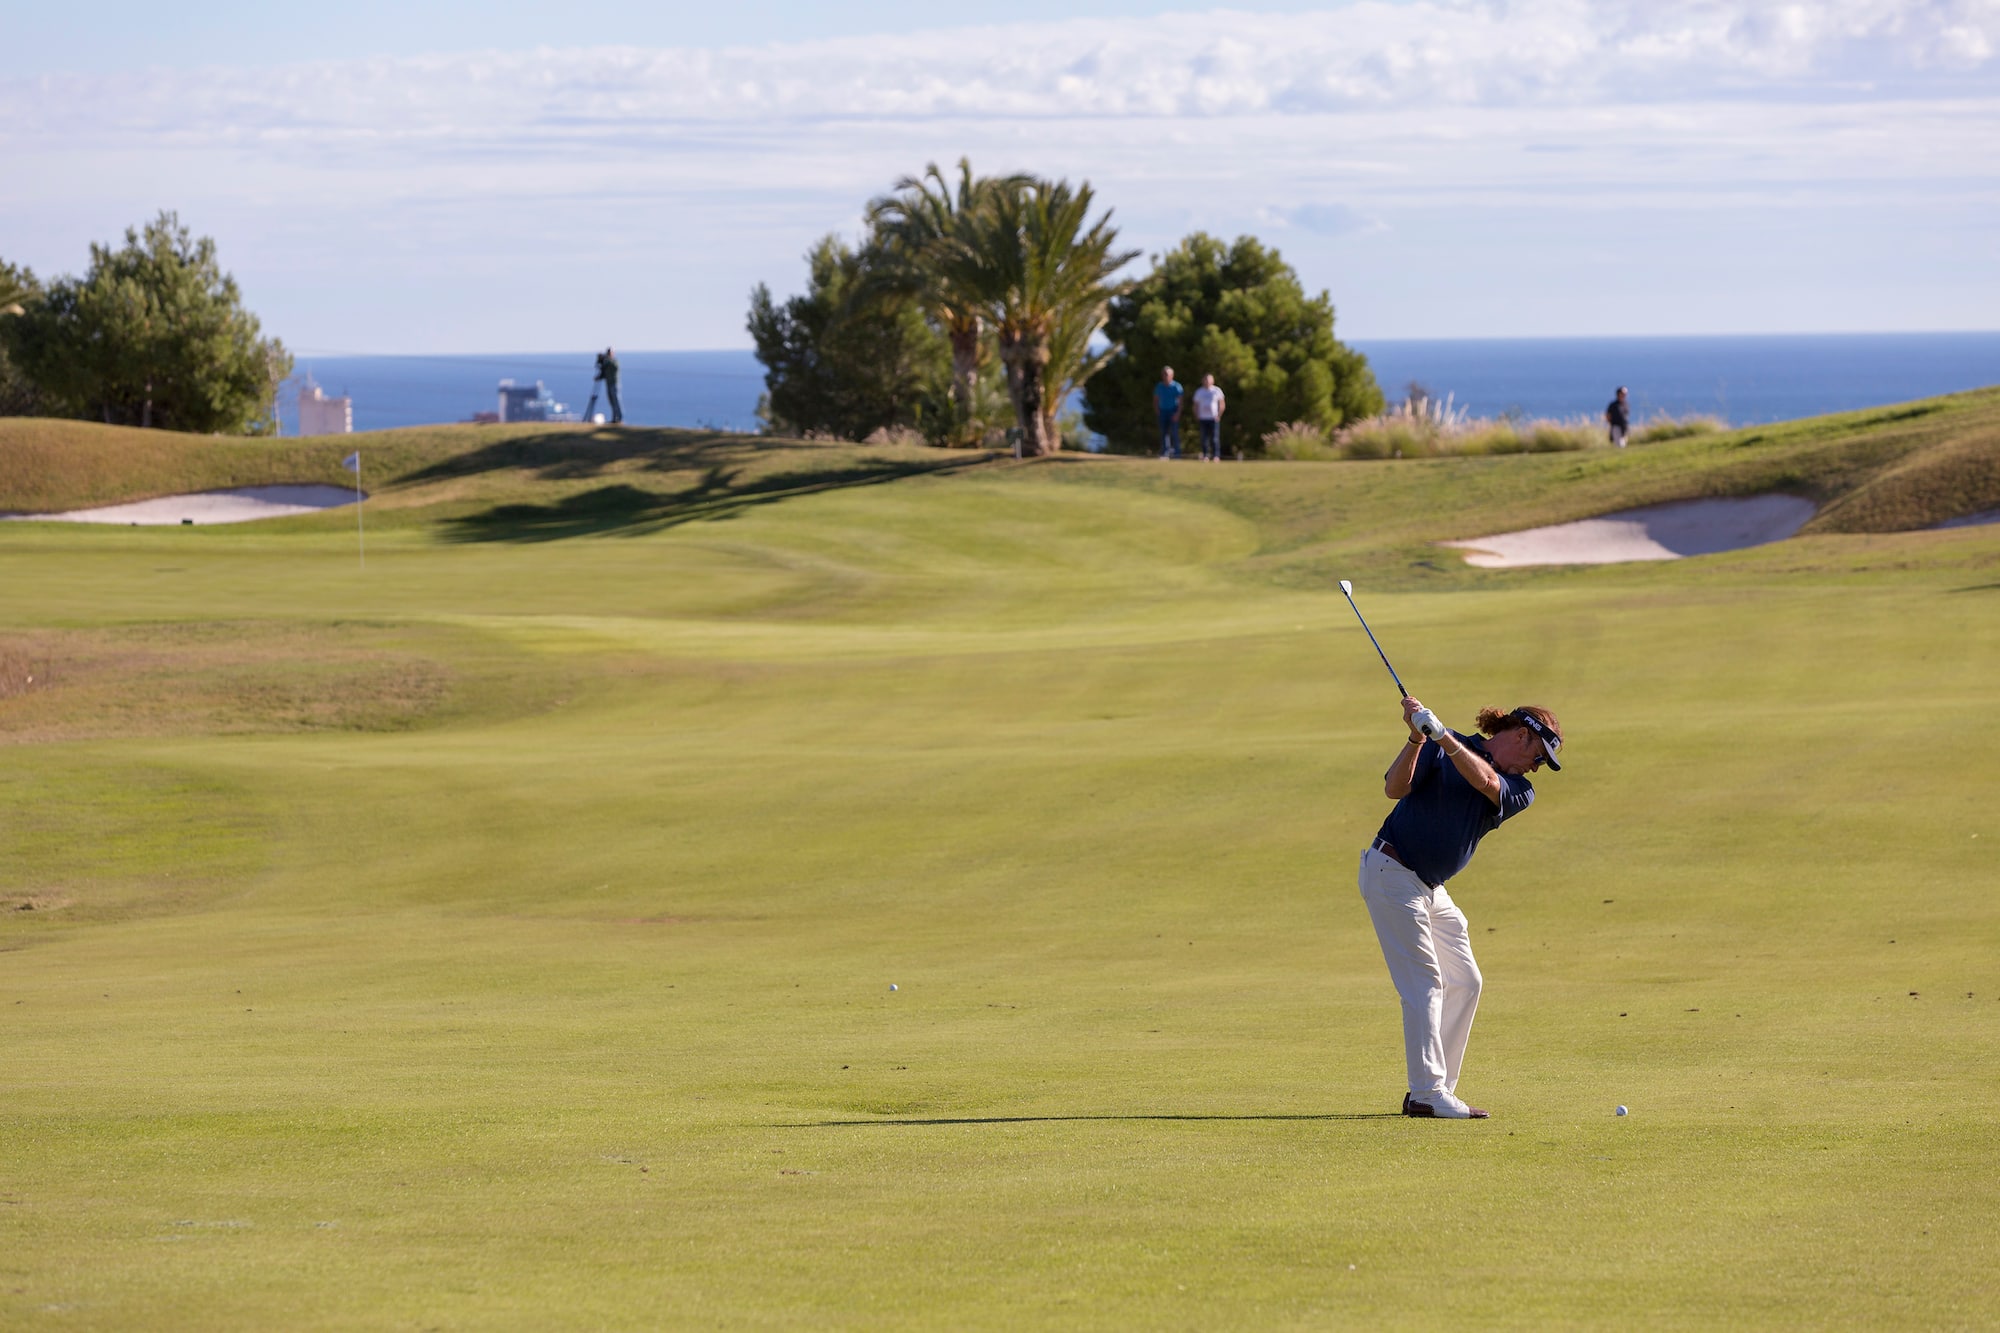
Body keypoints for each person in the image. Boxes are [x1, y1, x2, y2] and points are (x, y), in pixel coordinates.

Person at [1359, 697, 1564, 1119]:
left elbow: (1487, 782)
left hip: (1430, 888)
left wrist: (1444, 738)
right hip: (1392, 872)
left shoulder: (1519, 788)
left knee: (1466, 981)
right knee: (1425, 985)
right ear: (1521, 735)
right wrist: (1417, 738)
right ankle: (1427, 1092)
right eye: (1537, 757)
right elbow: (1393, 788)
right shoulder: (1440, 742)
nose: (1535, 768)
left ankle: (1437, 1089)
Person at [1192, 374, 1226, 461]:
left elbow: (1222, 404)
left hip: (1213, 418)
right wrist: (1197, 415)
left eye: (1209, 380)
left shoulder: (1217, 391)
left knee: (1215, 438)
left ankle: (1216, 456)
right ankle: (1205, 455)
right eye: (1205, 380)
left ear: (1212, 381)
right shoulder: (1199, 392)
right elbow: (1195, 405)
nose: (1207, 382)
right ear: (1203, 381)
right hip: (1203, 418)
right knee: (1204, 438)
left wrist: (1219, 415)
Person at [1154, 366, 1184, 459]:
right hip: (1162, 412)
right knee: (1163, 433)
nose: (1165, 376)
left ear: (1172, 375)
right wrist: (1157, 410)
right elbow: (1155, 400)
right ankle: (1164, 453)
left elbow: (1180, 401)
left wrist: (1178, 413)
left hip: (1173, 411)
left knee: (1174, 433)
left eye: (1167, 374)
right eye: (1164, 374)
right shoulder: (1159, 386)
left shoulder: (1176, 386)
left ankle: (1177, 453)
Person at [595, 347, 624, 425]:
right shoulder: (606, 363)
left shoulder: (614, 361)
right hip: (609, 384)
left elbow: (614, 366)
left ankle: (620, 418)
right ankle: (614, 419)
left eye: (609, 353)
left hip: (614, 384)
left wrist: (606, 360)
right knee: (612, 402)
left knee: (616, 401)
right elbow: (604, 373)